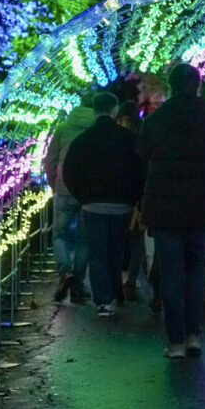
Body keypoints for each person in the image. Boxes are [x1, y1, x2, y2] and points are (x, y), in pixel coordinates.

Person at [136, 62, 205, 359]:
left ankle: (175, 340)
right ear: (197, 84)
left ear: (171, 85)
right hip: (202, 204)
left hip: (164, 206)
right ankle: (194, 335)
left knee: (172, 272)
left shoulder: (155, 121)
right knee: (195, 269)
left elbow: (143, 154)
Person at [62, 91, 145, 317]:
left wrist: (83, 197)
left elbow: (69, 172)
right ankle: (115, 291)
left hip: (92, 205)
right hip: (121, 205)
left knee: (97, 252)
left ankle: (103, 301)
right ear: (114, 110)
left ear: (95, 111)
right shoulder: (128, 139)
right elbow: (141, 169)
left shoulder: (82, 140)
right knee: (116, 251)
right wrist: (133, 197)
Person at [43, 90, 94, 303]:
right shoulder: (95, 129)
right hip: (87, 190)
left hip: (63, 187)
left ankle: (65, 272)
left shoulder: (62, 129)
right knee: (84, 239)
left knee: (59, 235)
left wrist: (53, 182)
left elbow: (50, 160)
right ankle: (78, 286)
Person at [116, 99, 145, 301]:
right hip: (138, 194)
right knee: (137, 242)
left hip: (116, 193)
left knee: (117, 242)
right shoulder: (142, 132)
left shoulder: (113, 135)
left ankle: (116, 282)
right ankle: (131, 282)